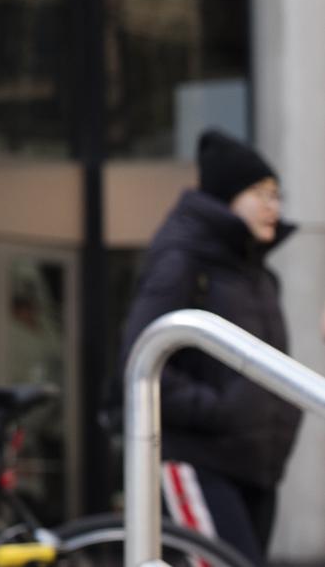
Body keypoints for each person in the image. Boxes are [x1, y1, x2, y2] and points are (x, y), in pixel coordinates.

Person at [117, 131, 302, 566]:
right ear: (227, 197)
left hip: (257, 466)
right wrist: (219, 410)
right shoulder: (182, 260)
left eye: (277, 195)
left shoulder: (257, 274)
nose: (274, 206)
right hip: (199, 460)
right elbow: (139, 357)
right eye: (261, 194)